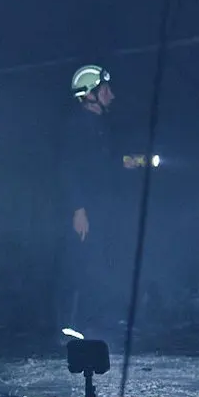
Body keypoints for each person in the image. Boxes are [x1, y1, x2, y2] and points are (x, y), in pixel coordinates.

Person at [55, 64, 147, 344]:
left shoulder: (99, 127)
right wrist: (78, 209)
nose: (112, 95)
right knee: (78, 264)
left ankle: (94, 321)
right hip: (85, 210)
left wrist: (129, 162)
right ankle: (67, 327)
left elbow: (100, 165)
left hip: (101, 207)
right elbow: (68, 169)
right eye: (106, 89)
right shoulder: (77, 126)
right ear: (89, 94)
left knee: (98, 264)